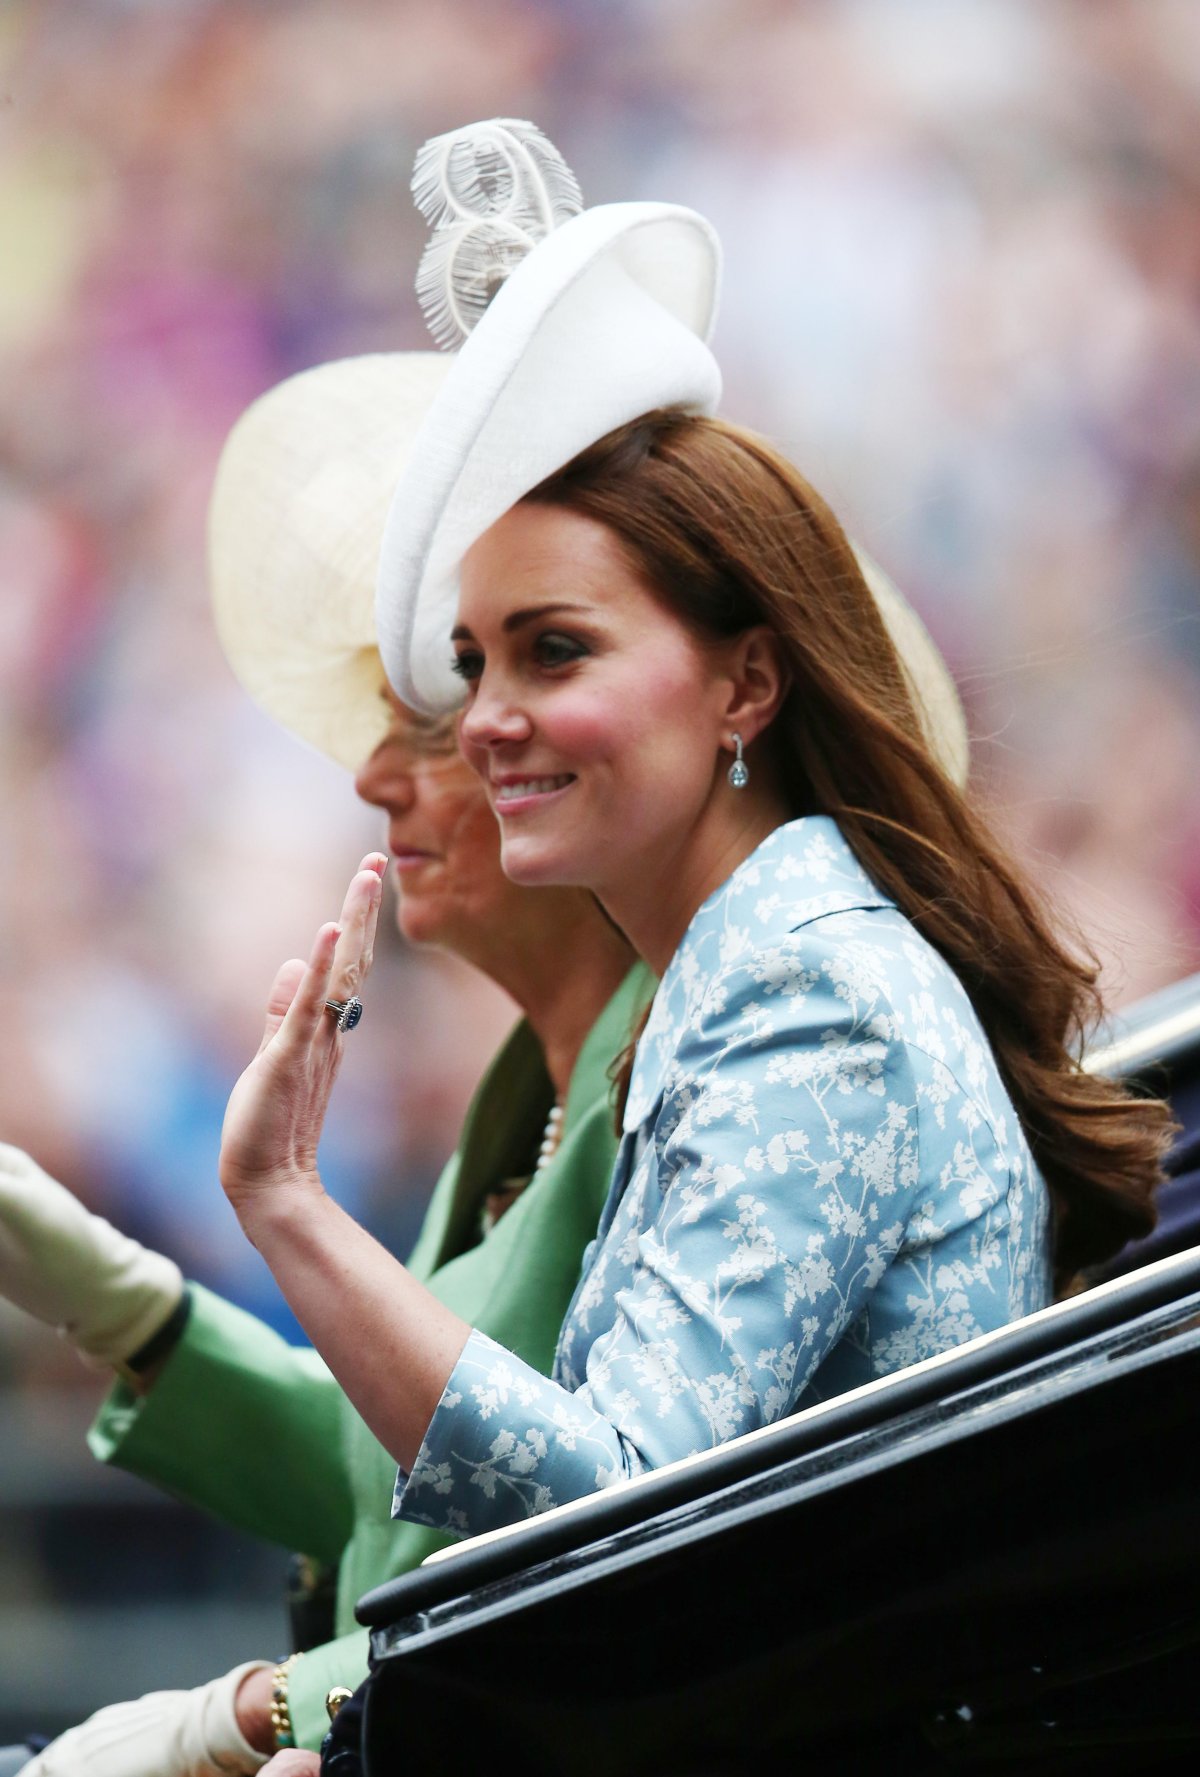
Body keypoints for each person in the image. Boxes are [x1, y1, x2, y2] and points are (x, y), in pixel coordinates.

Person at [211, 117, 1169, 1574]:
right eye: (477, 665)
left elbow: (618, 1509)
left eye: (556, 652)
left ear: (746, 681)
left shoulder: (810, 993)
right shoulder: (735, 971)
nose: (487, 722)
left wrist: (287, 1204)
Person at [0, 346, 645, 1772]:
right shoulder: (528, 1093)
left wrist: (232, 1720)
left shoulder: (658, 1073)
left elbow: (601, 1553)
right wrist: (112, 1300)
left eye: (430, 720)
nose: (375, 772)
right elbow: (393, 1480)